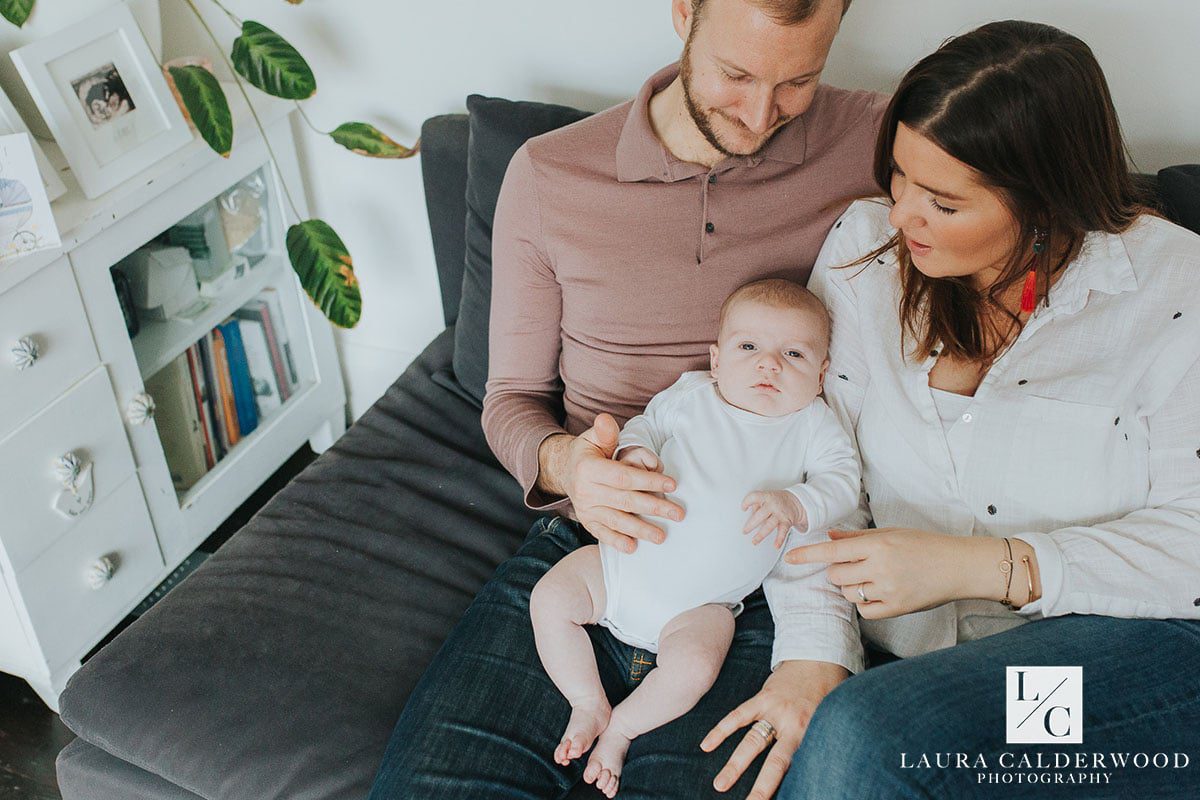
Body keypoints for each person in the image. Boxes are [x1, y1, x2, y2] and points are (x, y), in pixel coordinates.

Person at [369, 0, 886, 797]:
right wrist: (572, 465)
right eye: (736, 74)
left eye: (798, 83)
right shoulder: (551, 175)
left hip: (743, 591)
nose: (758, 117)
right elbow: (508, 397)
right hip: (588, 548)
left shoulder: (877, 140)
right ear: (684, 11)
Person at [701, 19, 1198, 797]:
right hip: (908, 668)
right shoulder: (867, 254)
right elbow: (811, 470)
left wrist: (985, 566)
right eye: (897, 177)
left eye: (943, 202)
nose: (902, 217)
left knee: (880, 737)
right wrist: (814, 656)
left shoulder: (1177, 294)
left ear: (1045, 203)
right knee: (855, 733)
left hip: (1115, 655)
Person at [530, 280, 860, 797]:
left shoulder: (813, 427)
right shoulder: (691, 395)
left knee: (696, 666)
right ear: (717, 357)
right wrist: (632, 455)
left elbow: (843, 483)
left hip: (703, 609)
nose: (768, 364)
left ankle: (621, 728)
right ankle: (586, 701)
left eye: (793, 354)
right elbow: (644, 428)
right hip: (618, 567)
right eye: (748, 347)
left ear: (821, 375)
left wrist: (797, 503)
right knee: (550, 597)